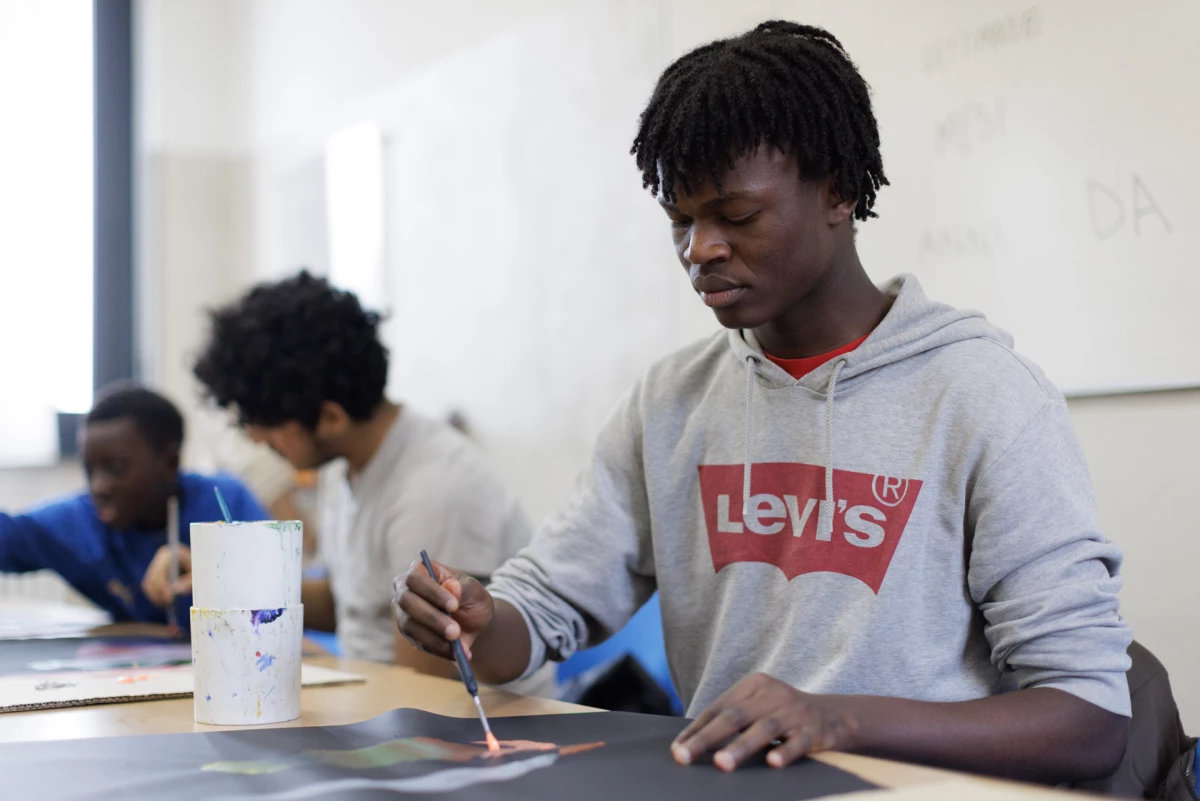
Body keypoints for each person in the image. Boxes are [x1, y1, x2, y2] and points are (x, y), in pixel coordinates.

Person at [395, 20, 1134, 784]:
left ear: (839, 192)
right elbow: (540, 616)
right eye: (680, 221)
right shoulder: (670, 403)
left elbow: (1087, 719)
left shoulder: (984, 398)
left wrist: (837, 715)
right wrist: (480, 622)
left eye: (735, 217)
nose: (699, 249)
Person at [187, 271, 555, 697]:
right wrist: (224, 583)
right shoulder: (346, 464)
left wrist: (290, 657)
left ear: (331, 418)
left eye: (263, 422)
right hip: (378, 710)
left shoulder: (434, 490)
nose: (254, 438)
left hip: (450, 733)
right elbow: (351, 602)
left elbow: (424, 691)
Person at [0, 384, 266, 625]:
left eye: (116, 467)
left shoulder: (227, 501)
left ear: (169, 462)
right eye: (89, 469)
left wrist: (215, 571)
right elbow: (9, 537)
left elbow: (276, 587)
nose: (98, 486)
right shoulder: (80, 523)